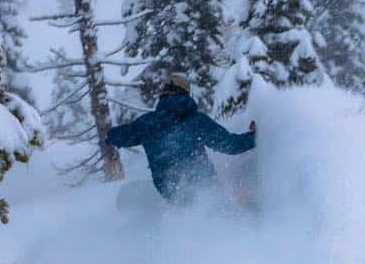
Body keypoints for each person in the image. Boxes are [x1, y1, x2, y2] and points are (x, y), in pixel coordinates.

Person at [107, 73, 256, 205]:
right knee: (231, 196)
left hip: (170, 192)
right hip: (203, 185)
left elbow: (120, 136)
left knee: (190, 202)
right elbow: (229, 145)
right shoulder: (196, 121)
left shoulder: (146, 123)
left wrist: (110, 135)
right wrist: (255, 137)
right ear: (186, 93)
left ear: (163, 94)